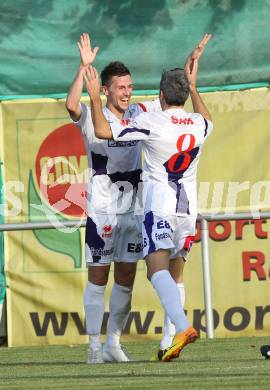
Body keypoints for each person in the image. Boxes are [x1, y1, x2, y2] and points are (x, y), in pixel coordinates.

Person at [66, 32, 211, 363]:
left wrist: (188, 75)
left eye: (130, 86)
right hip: (102, 207)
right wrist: (83, 68)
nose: (127, 92)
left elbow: (173, 101)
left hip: (135, 206)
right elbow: (71, 105)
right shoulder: (92, 114)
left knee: (127, 276)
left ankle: (113, 343)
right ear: (105, 90)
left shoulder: (141, 114)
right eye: (120, 87)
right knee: (98, 275)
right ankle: (93, 347)